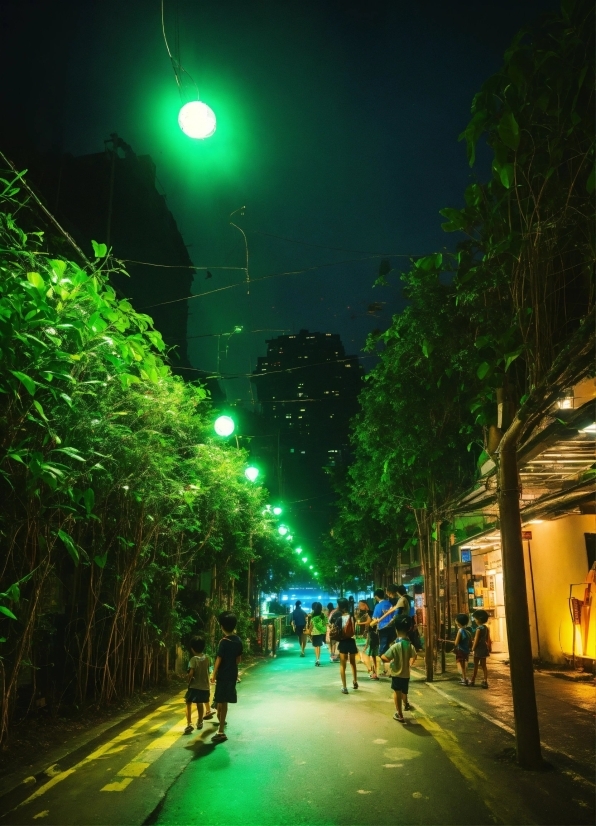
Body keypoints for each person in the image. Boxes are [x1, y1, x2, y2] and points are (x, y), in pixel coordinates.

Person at [210, 611, 243, 743]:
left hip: (223, 675)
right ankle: (221, 722)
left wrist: (213, 674)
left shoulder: (223, 642)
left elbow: (219, 659)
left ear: (222, 626)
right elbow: (238, 660)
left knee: (221, 702)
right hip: (232, 674)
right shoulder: (238, 640)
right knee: (224, 701)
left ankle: (221, 730)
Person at [381, 616, 417, 723]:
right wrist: (410, 663)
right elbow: (414, 655)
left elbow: (385, 657)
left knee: (397, 693)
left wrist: (385, 657)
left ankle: (399, 714)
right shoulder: (409, 645)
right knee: (404, 691)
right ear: (408, 629)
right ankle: (406, 704)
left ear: (396, 630)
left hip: (397, 674)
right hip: (406, 674)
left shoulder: (395, 646)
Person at [330, 597, 359, 694]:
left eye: (338, 604)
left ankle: (345, 687)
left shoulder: (339, 618)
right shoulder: (352, 617)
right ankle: (355, 682)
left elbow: (335, 630)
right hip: (351, 642)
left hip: (343, 643)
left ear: (341, 606)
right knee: (353, 663)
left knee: (343, 665)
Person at [184, 637, 211, 734]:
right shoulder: (207, 658)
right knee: (200, 703)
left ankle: (189, 723)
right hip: (204, 686)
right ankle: (200, 721)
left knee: (188, 703)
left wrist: (188, 678)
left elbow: (191, 672)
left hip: (194, 685)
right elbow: (208, 671)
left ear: (192, 648)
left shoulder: (193, 659)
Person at [470, 609, 491, 688]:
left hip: (478, 649)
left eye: (475, 618)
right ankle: (485, 680)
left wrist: (473, 648)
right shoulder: (485, 628)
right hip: (484, 648)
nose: (475, 620)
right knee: (484, 666)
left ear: (479, 619)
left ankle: (473, 680)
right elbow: (487, 639)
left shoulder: (478, 629)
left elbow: (476, 640)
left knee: (475, 665)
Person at [453, 613, 473, 685]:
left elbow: (456, 643)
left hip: (460, 651)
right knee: (464, 664)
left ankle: (464, 679)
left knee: (462, 665)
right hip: (466, 651)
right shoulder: (468, 632)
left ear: (458, 621)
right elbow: (470, 642)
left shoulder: (460, 631)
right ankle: (464, 678)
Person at [307, 601, 328, 666]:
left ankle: (317, 659)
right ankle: (318, 659)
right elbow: (326, 623)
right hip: (321, 632)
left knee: (316, 646)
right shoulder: (322, 615)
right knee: (318, 646)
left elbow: (311, 625)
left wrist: (309, 632)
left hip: (315, 632)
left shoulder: (312, 615)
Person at [355, 599, 371, 669]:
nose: (359, 606)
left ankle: (365, 660)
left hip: (368, 631)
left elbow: (368, 622)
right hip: (364, 631)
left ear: (364, 605)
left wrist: (359, 623)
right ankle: (362, 658)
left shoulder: (369, 612)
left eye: (360, 605)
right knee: (365, 646)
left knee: (366, 645)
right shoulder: (362, 612)